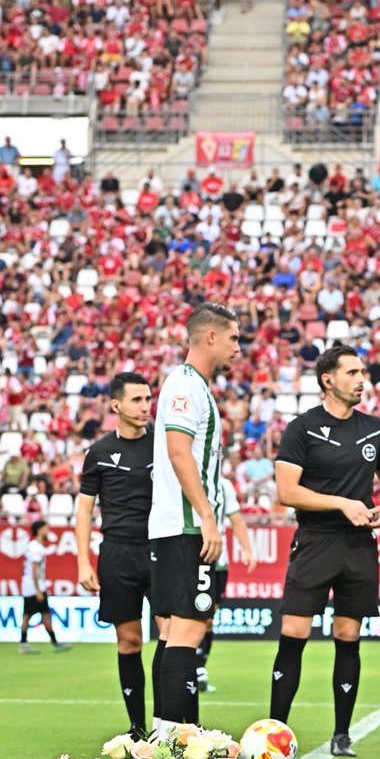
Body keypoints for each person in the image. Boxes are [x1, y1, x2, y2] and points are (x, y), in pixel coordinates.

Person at [268, 344, 380, 757]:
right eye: (353, 372)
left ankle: (342, 734)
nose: (362, 379)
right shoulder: (302, 428)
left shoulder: (374, 427)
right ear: (328, 380)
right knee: (294, 633)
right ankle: (276, 734)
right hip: (315, 541)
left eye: (363, 372)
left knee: (348, 635)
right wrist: (342, 502)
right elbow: (287, 492)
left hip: (358, 546)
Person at [148, 303, 241, 730]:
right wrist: (206, 515)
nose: (237, 348)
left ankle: (165, 740)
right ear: (210, 337)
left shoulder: (191, 386)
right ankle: (177, 744)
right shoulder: (186, 386)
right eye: (234, 338)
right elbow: (178, 450)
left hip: (175, 527)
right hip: (186, 527)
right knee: (188, 631)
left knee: (172, 633)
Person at [76, 372, 162, 739]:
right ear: (116, 405)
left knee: (172, 637)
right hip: (117, 554)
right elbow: (84, 511)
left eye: (148, 399)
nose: (145, 406)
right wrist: (83, 560)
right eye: (137, 400)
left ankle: (171, 723)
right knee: (129, 641)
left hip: (162, 549)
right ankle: (138, 729)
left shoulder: (163, 446)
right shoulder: (97, 452)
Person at [195, 476, 257, 692]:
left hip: (218, 561)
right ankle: (193, 669)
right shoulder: (181, 474)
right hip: (189, 556)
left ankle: (200, 667)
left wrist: (247, 549)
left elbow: (236, 518)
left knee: (209, 618)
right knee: (193, 617)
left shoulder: (223, 484)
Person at [19, 520, 73, 655]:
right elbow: (35, 569)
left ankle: (52, 642)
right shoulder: (35, 547)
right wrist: (38, 590)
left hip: (33, 585)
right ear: (39, 530)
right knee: (28, 615)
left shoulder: (36, 546)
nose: (48, 530)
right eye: (45, 528)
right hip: (33, 587)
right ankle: (24, 645)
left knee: (43, 615)